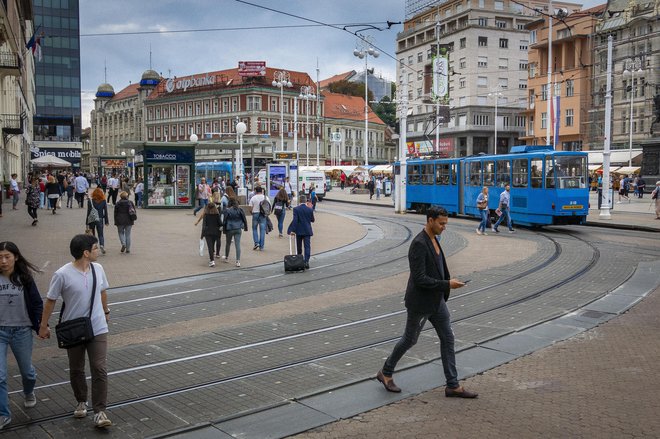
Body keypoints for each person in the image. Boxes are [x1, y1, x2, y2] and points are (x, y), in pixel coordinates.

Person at [376, 206, 476, 398]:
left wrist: (448, 282)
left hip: (437, 301)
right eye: (441, 223)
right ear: (430, 220)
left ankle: (452, 385)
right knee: (409, 340)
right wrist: (447, 284)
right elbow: (420, 278)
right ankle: (386, 372)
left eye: (446, 223)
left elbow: (437, 268)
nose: (444, 227)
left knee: (448, 339)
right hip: (421, 303)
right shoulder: (419, 244)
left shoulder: (435, 239)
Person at [38, 234, 113, 428]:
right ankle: (81, 401)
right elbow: (51, 300)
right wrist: (43, 325)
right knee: (77, 368)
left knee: (99, 367)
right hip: (73, 328)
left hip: (97, 326)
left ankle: (100, 411)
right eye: (96, 248)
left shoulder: (98, 269)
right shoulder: (62, 274)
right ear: (86, 253)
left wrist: (105, 311)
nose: (99, 251)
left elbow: (102, 291)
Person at [0, 241, 43, 430]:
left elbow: (36, 303)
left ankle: (28, 391)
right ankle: (3, 414)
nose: (3, 261)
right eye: (0, 257)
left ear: (16, 257)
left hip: (22, 330)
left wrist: (42, 325)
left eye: (7, 256)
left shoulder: (25, 278)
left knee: (27, 372)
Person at [287, 194, 315, 269]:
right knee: (307, 247)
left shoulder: (296, 209)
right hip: (307, 230)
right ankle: (306, 261)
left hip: (299, 230)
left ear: (299, 201)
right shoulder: (310, 209)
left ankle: (299, 260)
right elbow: (312, 220)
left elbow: (295, 220)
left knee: (299, 247)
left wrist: (292, 230)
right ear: (306, 201)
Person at [194, 202, 222, 267]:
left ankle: (212, 261)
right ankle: (212, 258)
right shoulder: (217, 214)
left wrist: (202, 235)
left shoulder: (206, 215)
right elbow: (220, 223)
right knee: (212, 244)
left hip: (208, 232)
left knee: (210, 246)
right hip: (216, 232)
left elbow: (204, 226)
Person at [222, 198, 248, 267]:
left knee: (228, 243)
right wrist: (245, 227)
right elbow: (244, 219)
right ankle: (238, 261)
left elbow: (224, 221)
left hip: (230, 228)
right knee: (237, 244)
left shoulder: (228, 211)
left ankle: (226, 257)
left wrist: (224, 229)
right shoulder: (240, 210)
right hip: (238, 228)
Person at [87, 188, 109, 254]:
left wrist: (87, 222)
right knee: (101, 234)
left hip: (92, 219)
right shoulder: (103, 201)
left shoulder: (90, 201)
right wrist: (106, 221)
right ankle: (102, 245)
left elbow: (88, 212)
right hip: (100, 218)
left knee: (92, 234)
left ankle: (93, 247)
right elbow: (105, 212)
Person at [248, 185, 269, 251]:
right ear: (262, 191)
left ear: (255, 191)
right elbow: (269, 206)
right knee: (262, 230)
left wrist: (252, 213)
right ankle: (261, 246)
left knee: (254, 229)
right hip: (263, 215)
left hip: (255, 214)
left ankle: (256, 243)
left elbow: (250, 208)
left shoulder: (253, 198)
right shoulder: (265, 198)